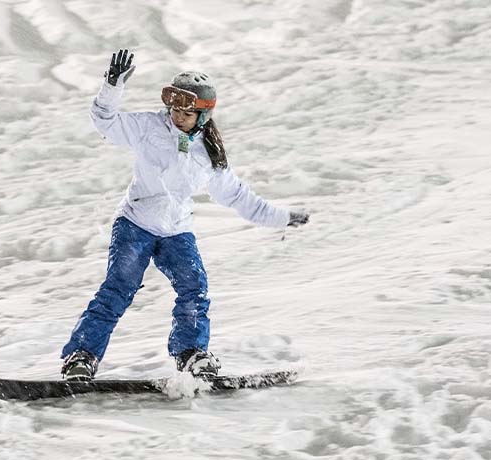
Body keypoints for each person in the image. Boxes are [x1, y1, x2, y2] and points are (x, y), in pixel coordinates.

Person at [60, 49, 310, 381]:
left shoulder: (209, 154)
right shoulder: (150, 127)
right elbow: (105, 122)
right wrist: (112, 87)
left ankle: (191, 353)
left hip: (177, 230)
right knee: (118, 288)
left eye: (187, 113)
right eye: (175, 109)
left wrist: (280, 217)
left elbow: (237, 196)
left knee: (194, 288)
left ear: (203, 116)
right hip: (135, 223)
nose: (178, 117)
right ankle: (82, 356)